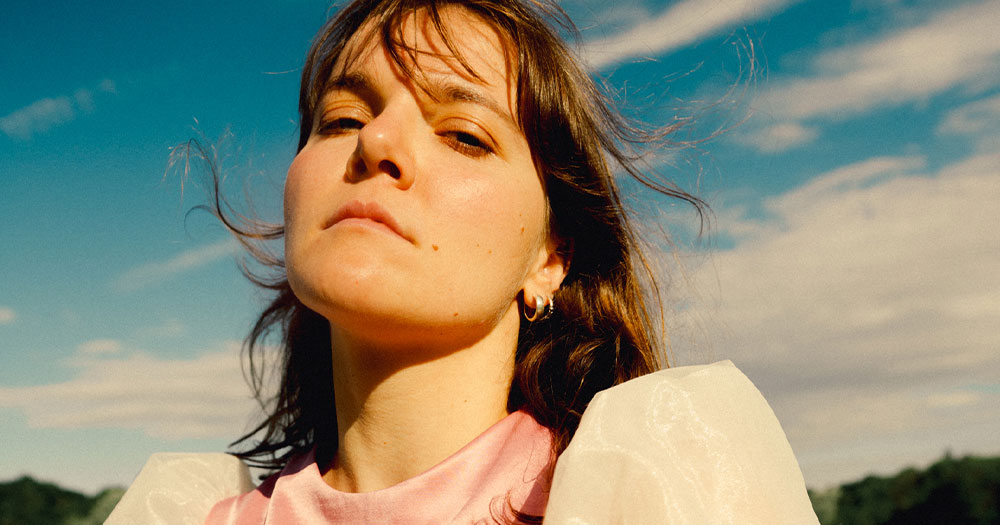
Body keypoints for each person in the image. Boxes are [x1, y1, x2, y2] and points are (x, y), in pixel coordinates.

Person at [107, 0, 819, 523]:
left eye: (465, 135)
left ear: (550, 257)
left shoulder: (660, 492)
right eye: (342, 119)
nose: (376, 142)